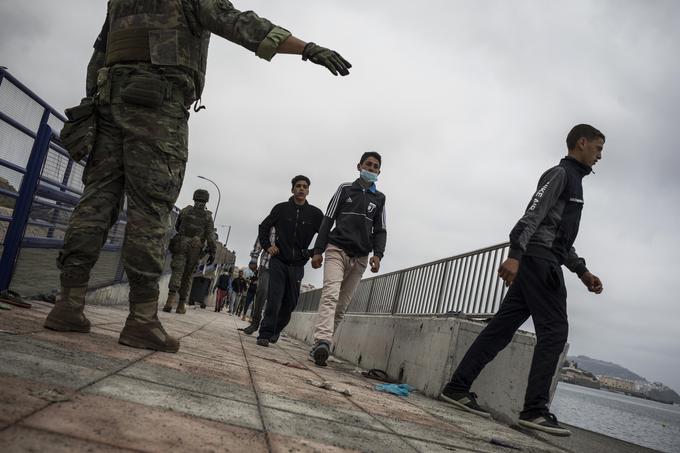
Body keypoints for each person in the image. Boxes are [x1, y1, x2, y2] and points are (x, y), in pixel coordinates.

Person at [44, 0, 351, 353]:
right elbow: (242, 25)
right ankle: (142, 319)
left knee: (95, 202)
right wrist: (306, 49)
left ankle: (68, 303)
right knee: (150, 210)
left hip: (108, 104)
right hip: (158, 106)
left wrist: (90, 105)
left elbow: (99, 53)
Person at [439, 124, 605, 437]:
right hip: (539, 262)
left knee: (500, 329)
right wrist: (515, 254)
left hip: (544, 258)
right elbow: (531, 216)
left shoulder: (576, 183)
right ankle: (535, 411)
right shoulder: (560, 175)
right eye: (597, 149)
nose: (599, 156)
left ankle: (457, 387)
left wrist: (582, 271)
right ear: (582, 143)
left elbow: (560, 238)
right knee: (555, 331)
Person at [308, 152, 387, 365]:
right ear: (359, 165)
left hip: (361, 257)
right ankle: (324, 341)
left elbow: (380, 230)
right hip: (336, 250)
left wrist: (377, 255)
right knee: (331, 295)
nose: (370, 169)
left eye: (375, 167)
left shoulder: (379, 199)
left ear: (379, 172)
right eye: (367, 165)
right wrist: (318, 250)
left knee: (341, 306)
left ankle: (318, 346)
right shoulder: (344, 189)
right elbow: (328, 218)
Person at [256, 176, 323, 347]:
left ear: (308, 191)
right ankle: (264, 333)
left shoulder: (315, 214)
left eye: (304, 186)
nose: (301, 189)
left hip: (298, 265)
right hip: (278, 261)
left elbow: (325, 235)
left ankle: (276, 329)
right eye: (298, 186)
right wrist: (267, 246)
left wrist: (313, 252)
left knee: (290, 303)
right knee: (274, 298)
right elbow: (263, 227)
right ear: (292, 189)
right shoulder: (281, 209)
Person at [163, 189, 216, 314]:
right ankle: (181, 305)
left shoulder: (185, 211)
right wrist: (212, 251)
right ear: (206, 200)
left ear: (194, 198)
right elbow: (211, 236)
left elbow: (177, 226)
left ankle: (169, 302)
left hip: (181, 243)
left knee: (177, 271)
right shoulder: (208, 217)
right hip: (195, 247)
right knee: (187, 276)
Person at [241, 228, 275, 335]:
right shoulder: (272, 221)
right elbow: (262, 236)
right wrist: (254, 258)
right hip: (266, 264)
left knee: (276, 297)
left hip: (283, 267)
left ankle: (271, 328)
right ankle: (255, 322)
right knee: (262, 290)